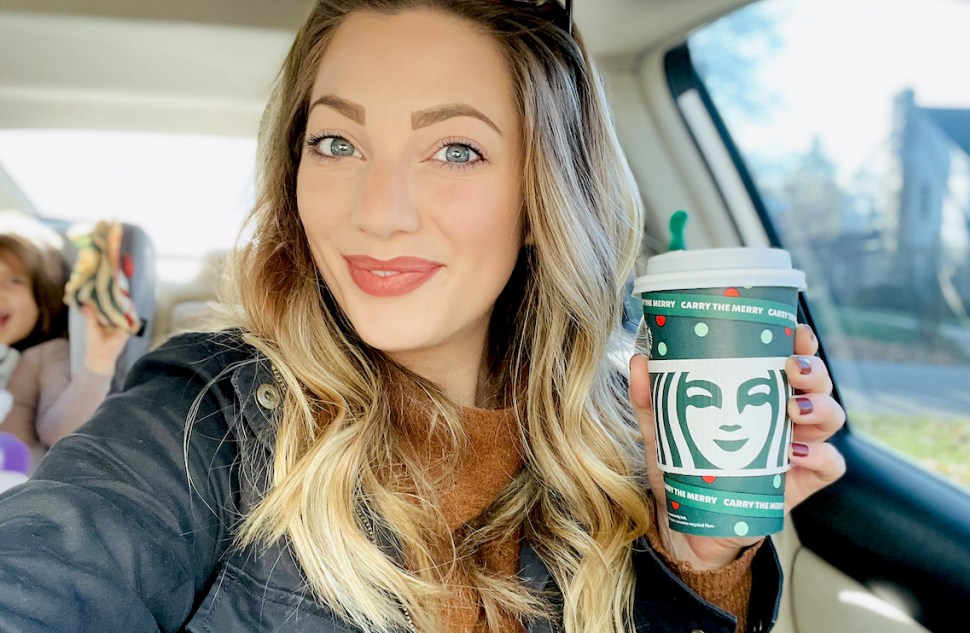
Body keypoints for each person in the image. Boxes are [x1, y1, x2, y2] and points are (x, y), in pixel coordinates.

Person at [0, 1, 846, 632]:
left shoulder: (628, 444)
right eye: (336, 143)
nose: (380, 211)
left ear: (539, 195)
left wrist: (695, 562)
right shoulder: (205, 415)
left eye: (455, 149)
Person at [0, 212, 130, 465]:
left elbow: (61, 433)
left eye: (13, 281)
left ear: (43, 291)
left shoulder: (47, 354)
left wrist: (98, 364)